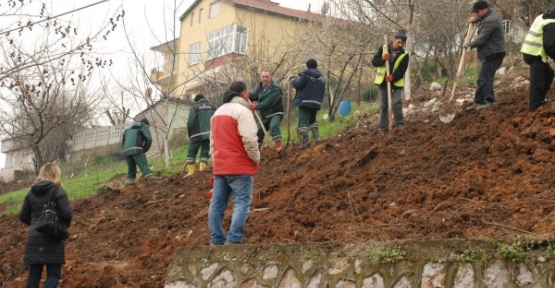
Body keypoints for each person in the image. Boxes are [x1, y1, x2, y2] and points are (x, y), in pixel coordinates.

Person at [208, 81, 260, 245]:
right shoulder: (242, 111)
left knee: (216, 205)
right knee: (242, 203)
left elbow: (212, 143)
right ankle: (234, 239)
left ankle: (216, 239)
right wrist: (255, 158)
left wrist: (216, 162)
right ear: (244, 94)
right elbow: (250, 139)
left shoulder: (216, 114)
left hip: (221, 166)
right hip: (240, 166)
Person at [19, 162, 72, 288]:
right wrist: (61, 227)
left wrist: (35, 224)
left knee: (34, 275)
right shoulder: (59, 191)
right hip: (53, 237)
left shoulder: (31, 193)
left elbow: (23, 216)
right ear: (56, 174)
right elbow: (67, 214)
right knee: (53, 275)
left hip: (33, 239)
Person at [464, 0, 506, 110]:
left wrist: (468, 45)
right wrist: (475, 19)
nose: (476, 14)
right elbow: (483, 18)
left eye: (477, 12)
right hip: (491, 52)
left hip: (494, 53)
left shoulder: (491, 20)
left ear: (484, 9)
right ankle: (479, 101)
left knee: (485, 78)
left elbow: (482, 39)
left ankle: (488, 102)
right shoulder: (489, 16)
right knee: (484, 78)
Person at [371, 29, 409, 134]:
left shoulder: (404, 54)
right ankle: (384, 129)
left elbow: (402, 69)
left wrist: (393, 77)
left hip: (396, 82)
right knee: (384, 105)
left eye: (402, 43)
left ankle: (400, 125)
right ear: (394, 40)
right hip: (383, 82)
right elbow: (374, 62)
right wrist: (382, 59)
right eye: (399, 42)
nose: (400, 44)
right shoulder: (383, 49)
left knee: (396, 103)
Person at [520, 8, 555, 111]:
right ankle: (534, 108)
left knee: (549, 74)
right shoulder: (551, 23)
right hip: (534, 54)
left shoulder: (542, 16)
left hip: (531, 51)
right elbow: (549, 45)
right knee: (537, 81)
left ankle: (540, 100)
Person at [288, 59, 326, 148]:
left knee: (303, 122)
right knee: (312, 119)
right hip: (316, 102)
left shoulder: (306, 74)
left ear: (307, 66)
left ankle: (305, 141)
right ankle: (316, 138)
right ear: (316, 66)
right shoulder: (322, 77)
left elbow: (297, 84)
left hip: (305, 101)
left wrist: (291, 78)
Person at [249, 71, 284, 152]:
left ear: (270, 78)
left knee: (273, 126)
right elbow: (254, 95)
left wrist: (256, 106)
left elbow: (268, 102)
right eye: (263, 77)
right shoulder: (260, 87)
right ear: (261, 78)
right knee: (258, 131)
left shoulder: (275, 88)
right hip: (265, 115)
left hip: (276, 113)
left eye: (267, 77)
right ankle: (257, 151)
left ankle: (279, 148)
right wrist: (245, 94)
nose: (265, 79)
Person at [184, 94, 217, 176]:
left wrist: (190, 134)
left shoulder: (195, 108)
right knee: (204, 153)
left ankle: (191, 172)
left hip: (196, 134)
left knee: (192, 153)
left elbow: (189, 123)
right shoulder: (213, 108)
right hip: (210, 134)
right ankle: (202, 172)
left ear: (196, 100)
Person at [122, 118, 154, 187]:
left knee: (131, 171)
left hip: (126, 151)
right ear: (146, 124)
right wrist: (144, 149)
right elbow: (149, 139)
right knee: (144, 168)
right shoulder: (144, 127)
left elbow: (123, 141)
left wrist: (126, 150)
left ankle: (127, 187)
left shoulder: (127, 130)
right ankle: (152, 181)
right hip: (137, 149)